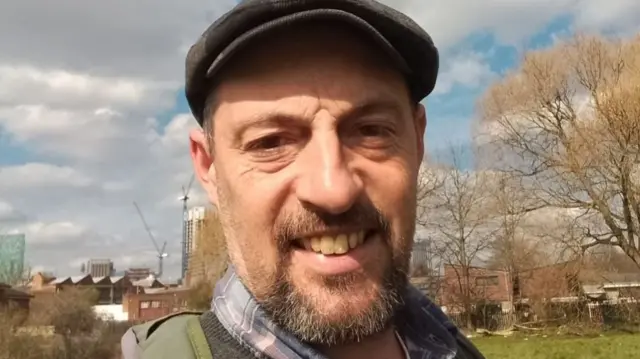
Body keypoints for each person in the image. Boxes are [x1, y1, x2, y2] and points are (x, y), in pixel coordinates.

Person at [121, 1, 486, 358]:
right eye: (270, 142)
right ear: (208, 168)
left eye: (372, 131)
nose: (334, 190)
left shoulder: (450, 344)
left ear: (417, 141)